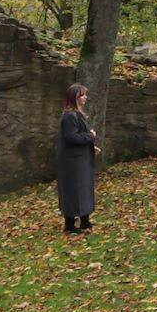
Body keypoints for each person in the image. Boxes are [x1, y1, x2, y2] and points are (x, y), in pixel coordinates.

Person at [57, 84, 99, 233]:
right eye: (82, 95)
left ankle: (85, 221)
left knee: (83, 188)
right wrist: (91, 136)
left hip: (80, 159)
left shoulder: (78, 114)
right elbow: (72, 137)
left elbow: (78, 135)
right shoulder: (70, 116)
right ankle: (69, 225)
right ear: (75, 97)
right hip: (72, 162)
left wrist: (91, 146)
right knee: (74, 190)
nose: (85, 97)